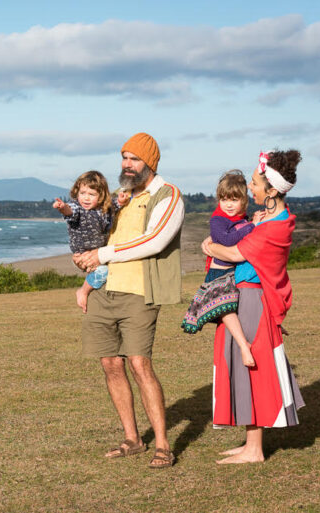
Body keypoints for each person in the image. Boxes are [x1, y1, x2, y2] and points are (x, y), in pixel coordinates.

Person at [74, 133, 184, 468]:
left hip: (140, 292)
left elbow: (154, 241)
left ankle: (163, 445)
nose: (127, 164)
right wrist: (86, 269)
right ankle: (132, 439)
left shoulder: (169, 195)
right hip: (104, 291)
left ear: (150, 162)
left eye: (134, 158)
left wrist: (101, 253)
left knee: (139, 363)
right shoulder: (121, 198)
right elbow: (101, 235)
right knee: (110, 364)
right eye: (123, 157)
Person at [201, 149, 305, 464]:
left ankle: (255, 449)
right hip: (244, 295)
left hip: (251, 299)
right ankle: (249, 443)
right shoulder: (269, 218)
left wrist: (210, 246)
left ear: (272, 190)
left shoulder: (275, 226)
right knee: (240, 364)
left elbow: (236, 255)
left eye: (256, 184)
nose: (250, 189)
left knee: (252, 369)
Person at [181, 170, 256, 367]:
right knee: (226, 310)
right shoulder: (218, 220)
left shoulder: (242, 220)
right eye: (224, 199)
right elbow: (226, 240)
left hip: (233, 273)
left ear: (244, 200)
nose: (229, 204)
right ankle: (243, 345)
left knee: (232, 309)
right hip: (219, 273)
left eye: (234, 199)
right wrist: (251, 226)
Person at [52, 171, 129, 313]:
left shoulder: (104, 208)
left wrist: (121, 201)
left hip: (99, 252)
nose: (86, 198)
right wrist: (63, 208)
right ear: (77, 193)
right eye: (83, 193)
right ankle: (83, 290)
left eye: (91, 194)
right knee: (103, 272)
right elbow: (70, 211)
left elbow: (114, 206)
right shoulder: (78, 209)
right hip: (83, 252)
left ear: (101, 196)